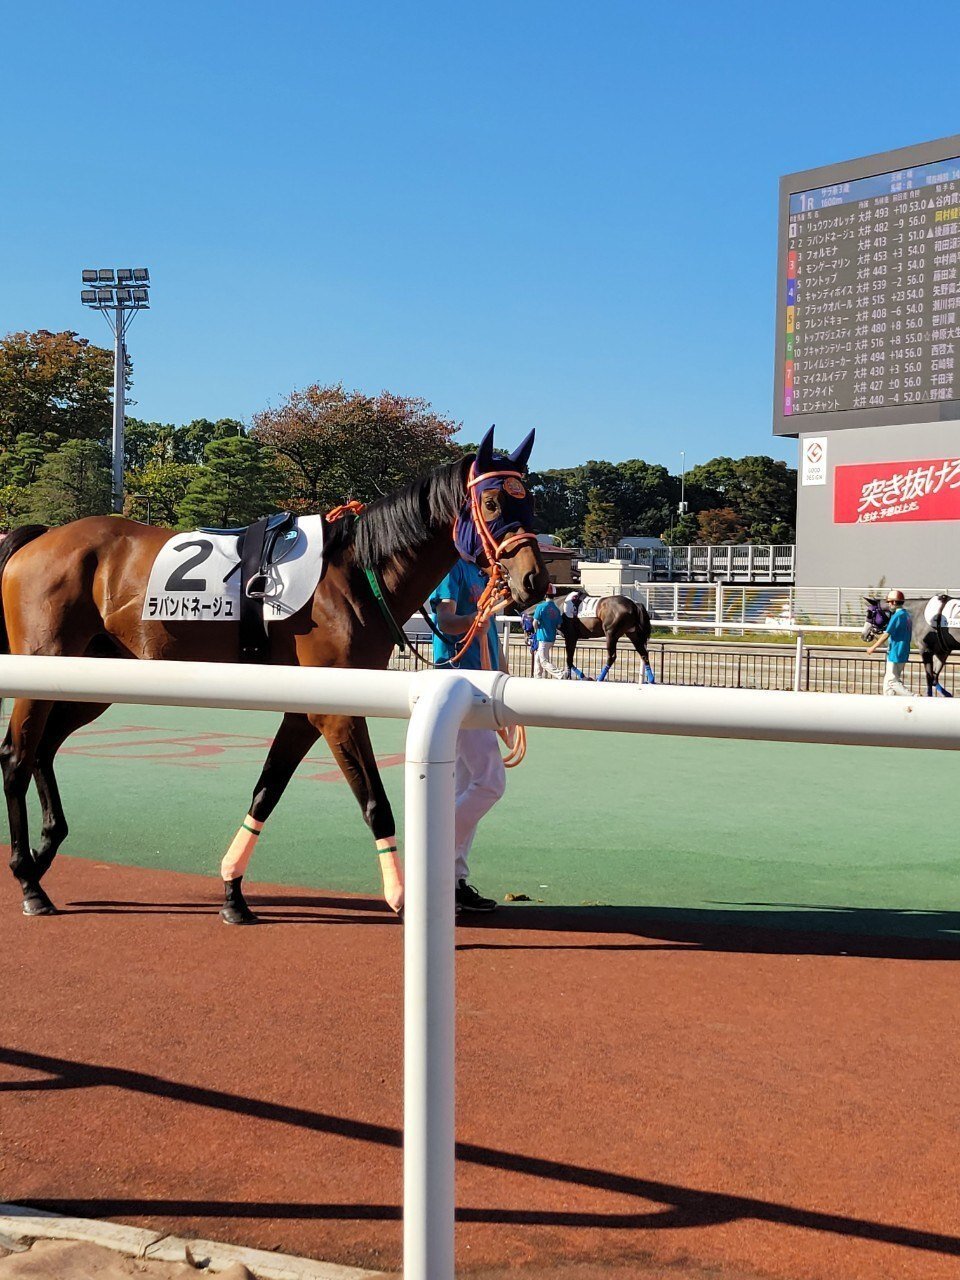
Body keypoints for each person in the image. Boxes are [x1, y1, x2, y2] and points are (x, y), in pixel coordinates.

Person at [429, 556, 507, 912]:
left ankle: (452, 880)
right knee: (490, 782)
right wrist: (475, 619)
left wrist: (507, 695)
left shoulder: (483, 574)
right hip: (458, 684)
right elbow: (445, 621)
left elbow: (492, 639)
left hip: (482, 687)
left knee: (464, 788)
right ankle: (433, 858)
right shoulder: (451, 568)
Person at [866, 589, 912, 696]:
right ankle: (888, 702)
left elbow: (886, 634)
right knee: (887, 684)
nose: (889, 604)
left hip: (895, 651)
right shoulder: (907, 615)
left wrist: (873, 647)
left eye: (890, 602)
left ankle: (914, 697)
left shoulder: (897, 616)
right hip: (903, 650)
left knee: (892, 681)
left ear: (894, 602)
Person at [532, 583, 564, 679]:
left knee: (543, 661)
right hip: (551, 638)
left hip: (542, 638)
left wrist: (536, 630)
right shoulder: (557, 609)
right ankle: (537, 677)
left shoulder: (540, 607)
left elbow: (535, 623)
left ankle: (560, 674)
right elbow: (559, 625)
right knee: (537, 658)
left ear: (545, 595)